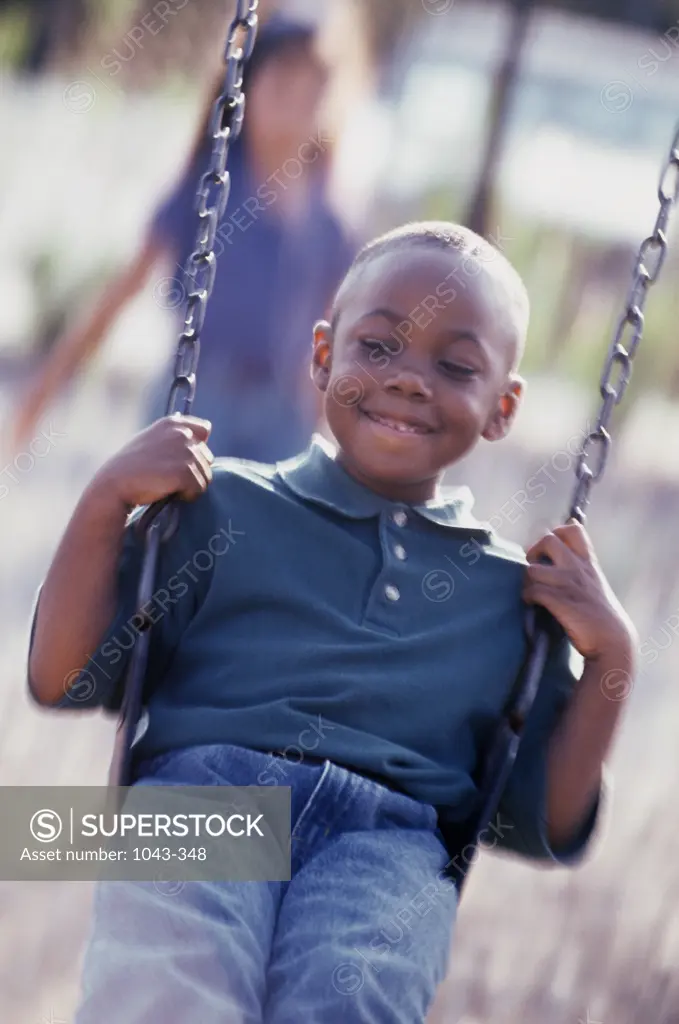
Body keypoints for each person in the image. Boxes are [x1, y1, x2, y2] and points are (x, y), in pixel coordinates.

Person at [27, 221, 635, 1023]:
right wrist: (104, 500)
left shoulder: (510, 596)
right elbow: (60, 676)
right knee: (169, 989)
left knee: (351, 998)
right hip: (201, 799)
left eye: (454, 366)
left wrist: (612, 660)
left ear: (502, 407)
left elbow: (544, 818)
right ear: (323, 357)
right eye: (378, 348)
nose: (410, 380)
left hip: (387, 847)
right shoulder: (222, 506)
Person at [9, 14, 354, 461]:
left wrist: (336, 439)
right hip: (198, 396)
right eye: (283, 88)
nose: (297, 105)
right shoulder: (210, 190)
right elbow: (120, 293)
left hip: (280, 415)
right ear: (246, 97)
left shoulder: (329, 218)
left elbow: (332, 340)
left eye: (312, 93)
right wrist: (45, 389)